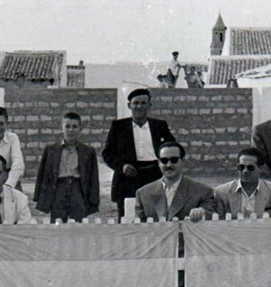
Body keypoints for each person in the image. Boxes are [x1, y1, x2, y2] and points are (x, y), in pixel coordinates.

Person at [103, 88, 175, 218]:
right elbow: (107, 154)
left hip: (154, 175)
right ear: (129, 105)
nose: (139, 106)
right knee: (128, 217)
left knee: (155, 216)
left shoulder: (160, 126)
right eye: (135, 103)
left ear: (149, 105)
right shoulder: (118, 126)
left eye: (143, 103)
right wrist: (122, 166)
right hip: (128, 178)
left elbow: (173, 148)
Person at [34, 112, 100, 222]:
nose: (71, 130)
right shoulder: (51, 149)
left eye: (74, 127)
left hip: (77, 188)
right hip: (59, 189)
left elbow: (93, 177)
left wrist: (94, 200)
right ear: (62, 128)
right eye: (67, 126)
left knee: (79, 222)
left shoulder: (88, 151)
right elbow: (42, 174)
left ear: (80, 129)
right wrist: (39, 196)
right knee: (57, 221)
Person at [135, 142, 216, 222]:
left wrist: (201, 212)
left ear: (183, 161)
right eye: (164, 160)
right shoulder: (143, 193)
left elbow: (211, 216)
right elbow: (138, 227)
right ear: (158, 163)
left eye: (174, 160)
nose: (169, 165)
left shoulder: (202, 191)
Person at [214, 147, 271, 218]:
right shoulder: (222, 192)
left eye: (250, 168)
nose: (245, 171)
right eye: (241, 167)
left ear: (260, 169)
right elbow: (219, 223)